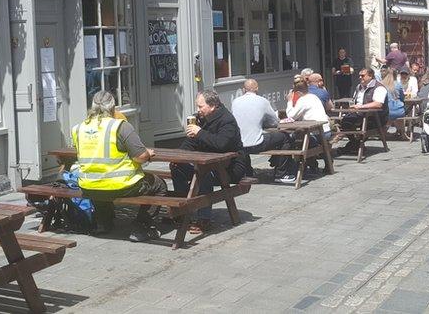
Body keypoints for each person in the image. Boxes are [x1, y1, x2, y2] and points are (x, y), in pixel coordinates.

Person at [71, 91, 166, 242]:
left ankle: (103, 223)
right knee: (159, 184)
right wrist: (147, 153)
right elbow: (140, 157)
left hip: (88, 186)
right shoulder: (120, 126)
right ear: (113, 107)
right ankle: (142, 227)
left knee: (100, 185)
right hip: (122, 185)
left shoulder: (78, 128)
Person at [172, 91, 248, 235]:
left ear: (212, 106)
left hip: (230, 167)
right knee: (177, 167)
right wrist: (179, 155)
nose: (198, 110)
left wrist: (200, 132)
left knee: (203, 172)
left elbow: (221, 144)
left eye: (201, 106)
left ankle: (204, 219)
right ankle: (181, 212)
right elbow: (191, 142)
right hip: (210, 163)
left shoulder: (227, 120)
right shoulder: (201, 118)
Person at [337, 68, 388, 154]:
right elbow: (354, 100)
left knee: (363, 127)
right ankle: (354, 144)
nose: (360, 77)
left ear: (370, 76)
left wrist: (361, 107)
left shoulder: (379, 87)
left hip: (375, 117)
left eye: (363, 76)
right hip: (359, 114)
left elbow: (378, 104)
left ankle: (352, 146)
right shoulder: (359, 87)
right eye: (359, 76)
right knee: (345, 122)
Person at [231, 78, 287, 155]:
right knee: (284, 136)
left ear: (244, 90)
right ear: (257, 89)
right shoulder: (263, 101)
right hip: (256, 144)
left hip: (239, 144)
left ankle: (247, 165)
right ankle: (282, 165)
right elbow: (274, 122)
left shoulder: (235, 102)